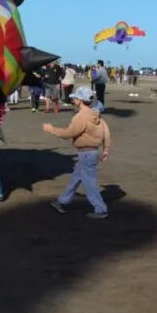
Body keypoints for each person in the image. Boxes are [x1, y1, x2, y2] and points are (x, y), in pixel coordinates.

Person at [45, 87, 111, 219]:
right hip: (92, 153)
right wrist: (106, 150)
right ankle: (62, 201)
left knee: (89, 184)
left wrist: (51, 129)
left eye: (75, 97)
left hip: (86, 153)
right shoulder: (96, 114)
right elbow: (106, 133)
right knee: (76, 178)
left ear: (80, 101)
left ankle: (101, 209)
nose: (73, 99)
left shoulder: (81, 116)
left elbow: (69, 133)